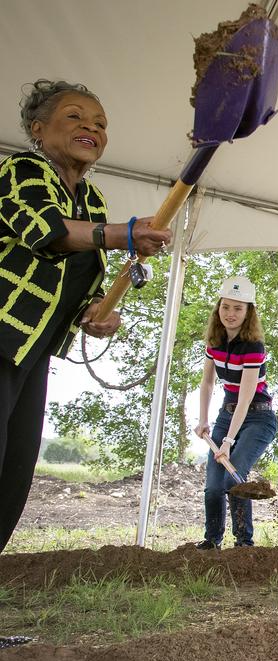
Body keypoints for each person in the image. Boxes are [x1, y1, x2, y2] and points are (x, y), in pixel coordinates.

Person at [0, 80, 170, 553]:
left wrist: (96, 313)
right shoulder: (22, 170)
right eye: (75, 116)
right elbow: (47, 233)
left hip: (31, 357)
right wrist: (125, 233)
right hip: (2, 341)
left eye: (100, 123)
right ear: (38, 128)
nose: (91, 127)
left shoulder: (92, 201)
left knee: (11, 481)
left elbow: (77, 285)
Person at [193, 277, 278, 549]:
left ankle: (244, 544)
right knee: (214, 485)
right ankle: (212, 541)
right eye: (226, 307)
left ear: (248, 312)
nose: (231, 314)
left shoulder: (253, 347)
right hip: (226, 415)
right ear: (219, 308)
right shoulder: (214, 344)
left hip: (258, 417)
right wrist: (203, 419)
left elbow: (245, 396)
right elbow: (207, 383)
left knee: (234, 476)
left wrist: (228, 442)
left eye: (238, 309)